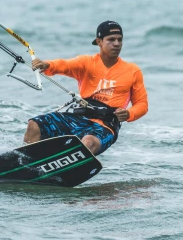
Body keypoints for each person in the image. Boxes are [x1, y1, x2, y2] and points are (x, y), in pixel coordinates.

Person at [24, 21, 148, 155]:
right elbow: (65, 65)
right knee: (34, 125)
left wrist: (129, 113)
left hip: (105, 126)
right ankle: (25, 161)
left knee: (88, 142)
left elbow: (142, 104)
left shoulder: (132, 71)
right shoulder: (87, 63)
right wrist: (46, 65)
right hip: (78, 118)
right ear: (99, 41)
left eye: (120, 40)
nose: (117, 44)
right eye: (111, 39)